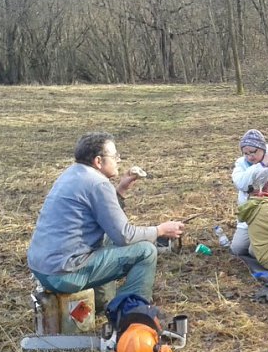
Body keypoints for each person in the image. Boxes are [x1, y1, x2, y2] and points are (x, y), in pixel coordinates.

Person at [27, 132, 185, 311]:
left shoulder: (72, 174)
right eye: (115, 155)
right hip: (64, 274)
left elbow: (104, 219)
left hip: (42, 268)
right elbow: (125, 236)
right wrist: (160, 230)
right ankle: (131, 311)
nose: (119, 159)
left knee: (107, 239)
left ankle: (103, 302)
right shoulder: (98, 184)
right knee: (146, 251)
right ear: (98, 161)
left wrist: (121, 190)